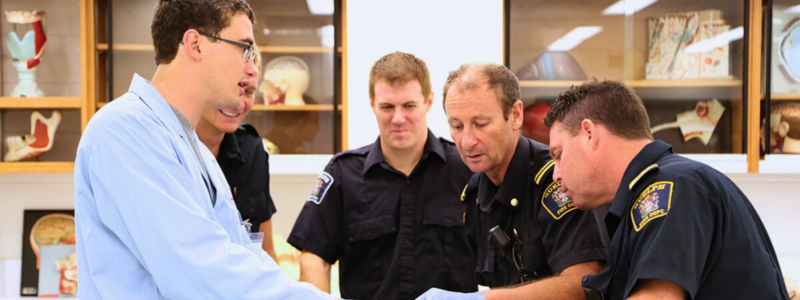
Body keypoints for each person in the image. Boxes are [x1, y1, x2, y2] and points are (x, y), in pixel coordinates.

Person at [74, 1, 332, 299]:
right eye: (244, 48)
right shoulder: (123, 131)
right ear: (195, 44)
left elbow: (241, 256)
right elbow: (202, 274)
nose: (250, 69)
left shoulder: (194, 147)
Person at [543, 80, 791, 299]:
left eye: (559, 154)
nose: (556, 175)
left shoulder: (672, 188)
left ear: (589, 134)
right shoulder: (656, 189)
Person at [288, 51, 476, 300]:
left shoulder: (468, 170)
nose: (398, 118)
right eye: (387, 107)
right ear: (372, 104)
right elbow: (314, 256)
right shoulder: (343, 174)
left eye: (409, 106)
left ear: (429, 102)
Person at [418, 63, 608, 300]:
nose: (466, 141)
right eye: (457, 126)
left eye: (481, 124)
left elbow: (582, 284)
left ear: (516, 115)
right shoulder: (475, 194)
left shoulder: (558, 181)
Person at [196, 45, 278, 260]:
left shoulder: (253, 150)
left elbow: (265, 251)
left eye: (248, 90)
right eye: (231, 86)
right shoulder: (170, 148)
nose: (237, 100)